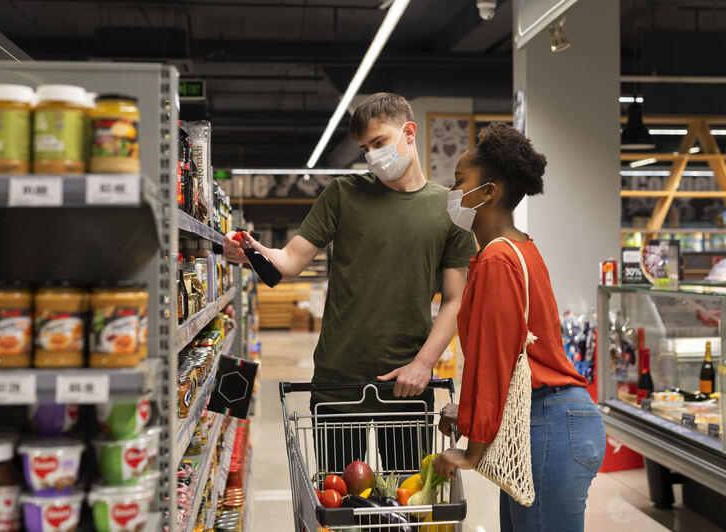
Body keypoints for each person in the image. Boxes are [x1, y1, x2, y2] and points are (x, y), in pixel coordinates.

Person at [223, 93, 477, 472]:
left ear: (409, 132)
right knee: (340, 507)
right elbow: (290, 262)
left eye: (379, 143)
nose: (372, 155)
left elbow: (456, 300)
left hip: (406, 383)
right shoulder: (343, 194)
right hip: (337, 380)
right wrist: (253, 252)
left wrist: (424, 364)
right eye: (364, 148)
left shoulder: (449, 209)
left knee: (405, 506)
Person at [432, 123, 606, 532]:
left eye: (459, 183)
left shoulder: (497, 259)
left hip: (547, 425)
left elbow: (496, 361)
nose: (452, 192)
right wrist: (470, 412)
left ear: (488, 192)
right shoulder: (518, 248)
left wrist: (472, 453)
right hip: (544, 421)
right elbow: (511, 353)